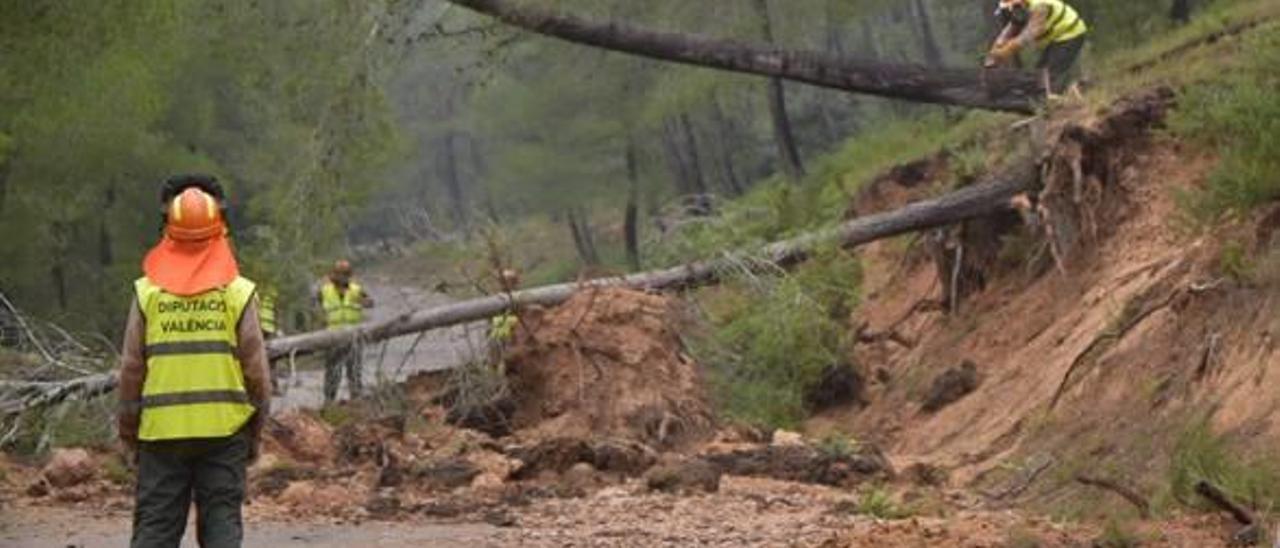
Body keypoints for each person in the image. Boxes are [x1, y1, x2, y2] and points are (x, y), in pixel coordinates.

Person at [117, 174, 270, 548]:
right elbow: (257, 373)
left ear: (168, 229)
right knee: (221, 525)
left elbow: (131, 370)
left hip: (161, 435)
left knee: (155, 528)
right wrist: (256, 429)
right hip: (224, 432)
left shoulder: (148, 293)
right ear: (220, 230)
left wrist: (128, 429)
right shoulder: (238, 292)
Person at [985, 0, 1088, 93]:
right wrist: (994, 53)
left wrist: (1006, 51)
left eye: (1010, 11)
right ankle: (1075, 86)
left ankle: (1063, 99)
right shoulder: (1021, 11)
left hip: (1071, 33)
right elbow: (1009, 31)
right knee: (1039, 73)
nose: (1010, 15)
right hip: (1056, 38)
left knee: (1050, 75)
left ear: (1018, 5)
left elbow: (1030, 33)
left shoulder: (1040, 6)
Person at [317, 260, 373, 404]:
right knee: (332, 372)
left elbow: (370, 302)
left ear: (349, 276)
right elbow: (314, 307)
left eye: (344, 275)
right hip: (332, 337)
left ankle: (356, 399)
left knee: (354, 370)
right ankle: (329, 400)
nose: (341, 278)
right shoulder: (324, 290)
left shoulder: (356, 290)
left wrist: (364, 302)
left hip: (353, 336)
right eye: (339, 275)